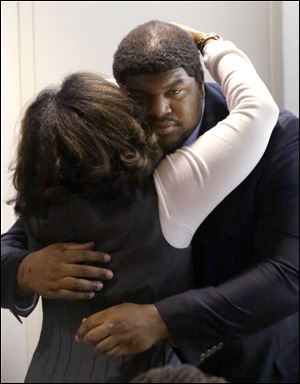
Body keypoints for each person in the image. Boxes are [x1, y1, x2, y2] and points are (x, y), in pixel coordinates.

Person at [0, 21, 294, 383]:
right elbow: (18, 237)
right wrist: (24, 270)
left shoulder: (278, 138)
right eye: (140, 98)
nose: (159, 111)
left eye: (175, 91)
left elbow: (289, 274)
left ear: (200, 84)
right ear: (120, 95)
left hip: (251, 361)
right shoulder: (100, 157)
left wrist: (164, 318)